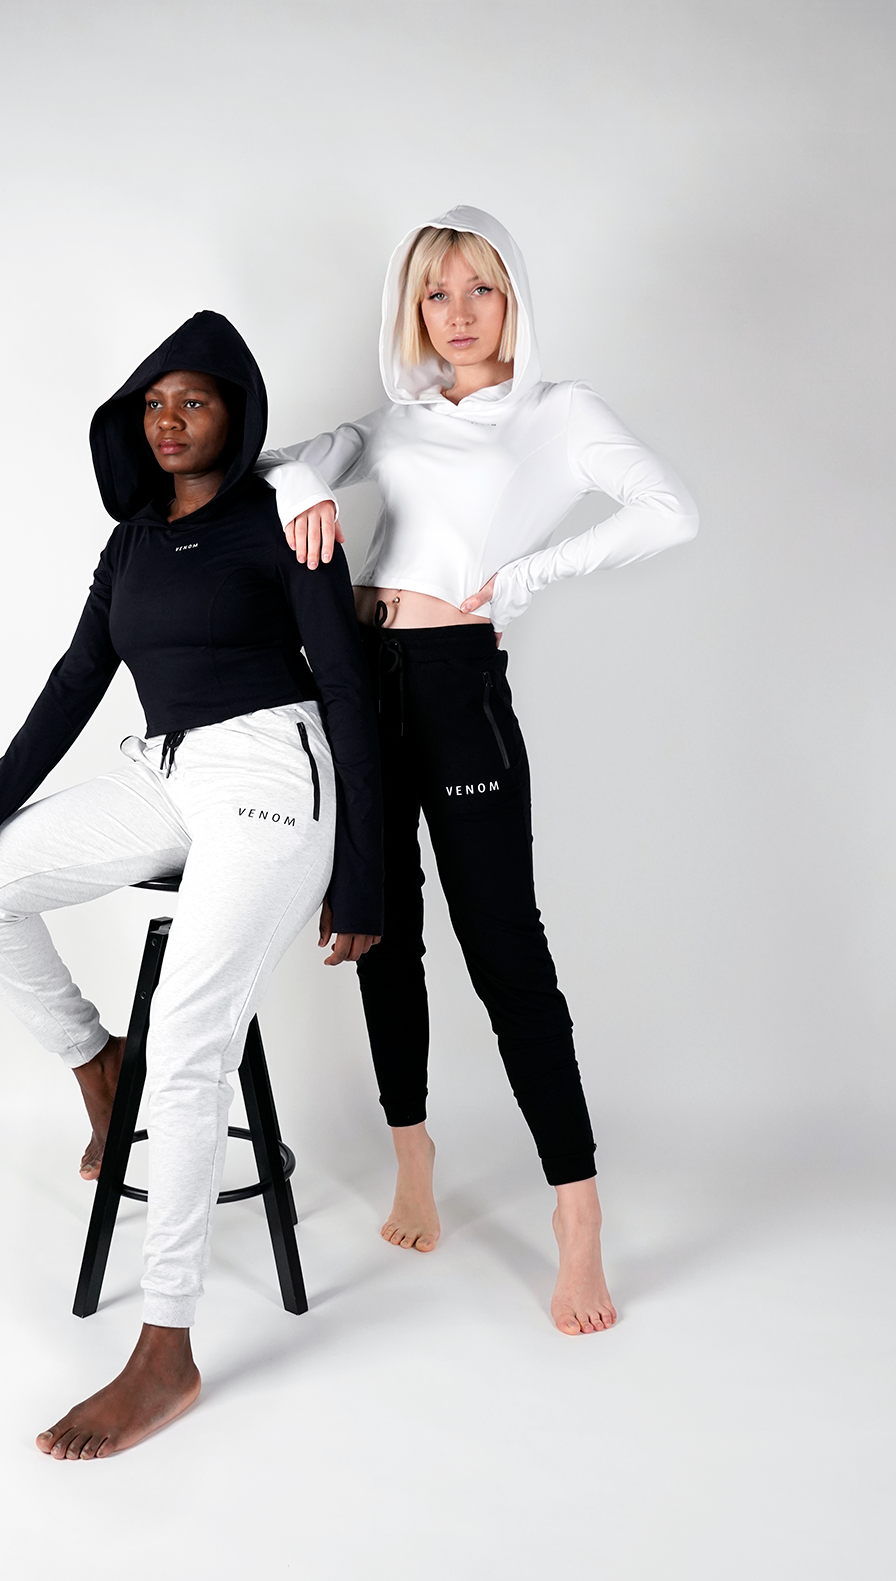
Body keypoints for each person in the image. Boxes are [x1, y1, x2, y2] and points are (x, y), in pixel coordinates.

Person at [0, 311, 382, 1456]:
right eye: (154, 405)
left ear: (237, 415)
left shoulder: (284, 517)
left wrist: (368, 871)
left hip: (274, 773)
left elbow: (349, 688)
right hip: (165, 771)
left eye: (195, 402)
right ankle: (97, 1065)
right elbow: (77, 679)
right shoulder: (129, 542)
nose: (170, 421)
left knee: (191, 1041)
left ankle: (166, 1348)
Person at [256, 206, 698, 1335]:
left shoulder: (559, 414)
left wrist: (531, 576)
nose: (457, 315)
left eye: (480, 290)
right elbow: (280, 463)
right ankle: (413, 1157)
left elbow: (670, 512)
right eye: (436, 293)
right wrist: (306, 489)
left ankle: (578, 1213)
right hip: (359, 680)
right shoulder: (401, 417)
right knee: (381, 929)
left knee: (507, 950)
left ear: (514, 299)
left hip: (458, 689)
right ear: (414, 308)